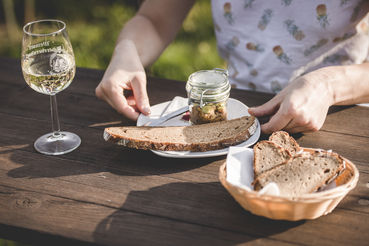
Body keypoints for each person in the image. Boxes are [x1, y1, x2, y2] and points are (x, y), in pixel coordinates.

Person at [95, 0, 369, 134]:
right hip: (237, 113)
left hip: (339, 118)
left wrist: (328, 87)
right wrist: (127, 49)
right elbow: (153, 20)